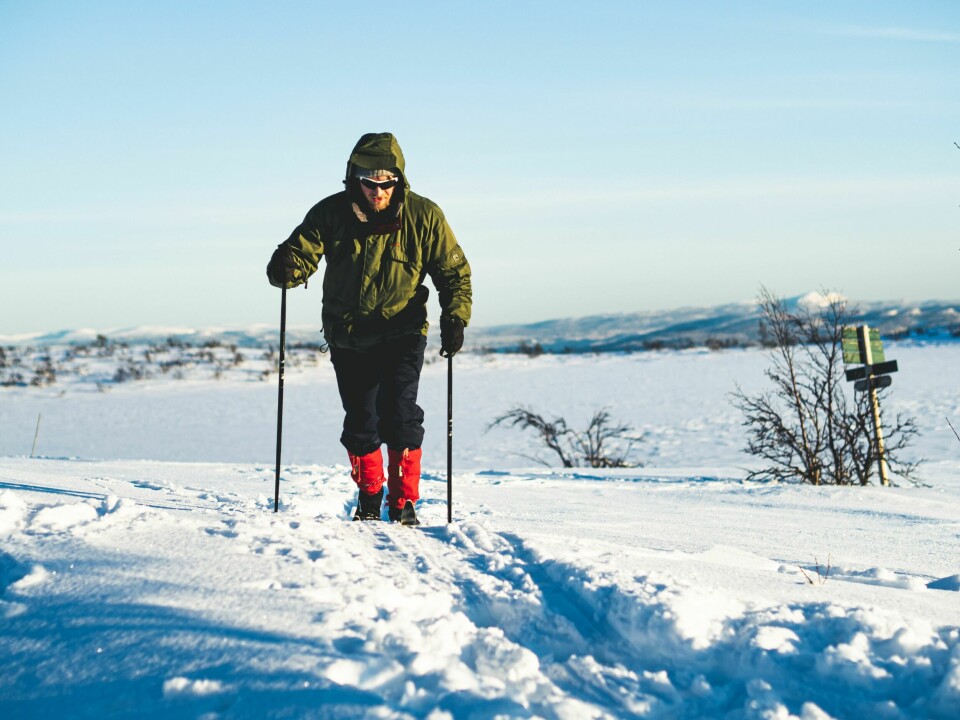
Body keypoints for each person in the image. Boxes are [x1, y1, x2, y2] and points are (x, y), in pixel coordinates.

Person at [266, 132, 472, 525]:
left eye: (387, 183)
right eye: (369, 182)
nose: (379, 191)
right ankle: (370, 494)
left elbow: (454, 273)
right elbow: (301, 255)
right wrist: (286, 268)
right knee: (362, 420)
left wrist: (455, 316)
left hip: (404, 331)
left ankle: (403, 501)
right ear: (353, 177)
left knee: (400, 412)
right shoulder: (330, 213)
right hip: (349, 335)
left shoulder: (423, 216)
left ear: (399, 179)